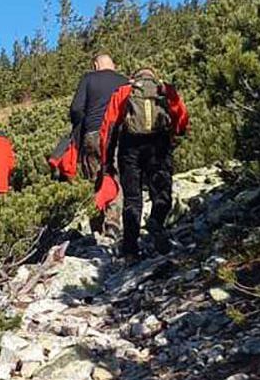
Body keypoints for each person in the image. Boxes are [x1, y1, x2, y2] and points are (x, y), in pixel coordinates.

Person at [96, 69, 189, 257]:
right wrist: (175, 134)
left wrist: (106, 159)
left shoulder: (124, 91)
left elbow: (109, 126)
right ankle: (156, 220)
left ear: (134, 77)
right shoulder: (165, 89)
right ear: (153, 76)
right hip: (159, 145)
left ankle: (130, 248)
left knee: (132, 198)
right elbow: (182, 117)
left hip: (130, 148)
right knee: (162, 189)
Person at [68, 54, 128, 181]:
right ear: (113, 66)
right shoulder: (124, 81)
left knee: (95, 179)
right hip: (119, 133)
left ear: (96, 65)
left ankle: (99, 198)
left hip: (94, 131)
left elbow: (76, 108)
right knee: (119, 175)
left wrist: (81, 126)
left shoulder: (88, 79)